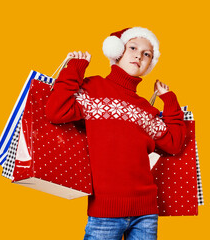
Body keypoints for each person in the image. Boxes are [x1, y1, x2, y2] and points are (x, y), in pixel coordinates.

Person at [45, 27, 186, 240]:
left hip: (146, 213)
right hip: (105, 213)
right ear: (117, 51)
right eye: (133, 47)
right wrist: (75, 68)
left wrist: (170, 101)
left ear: (150, 64)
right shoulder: (94, 89)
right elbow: (56, 111)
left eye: (147, 54)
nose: (139, 55)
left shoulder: (146, 109)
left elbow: (174, 144)